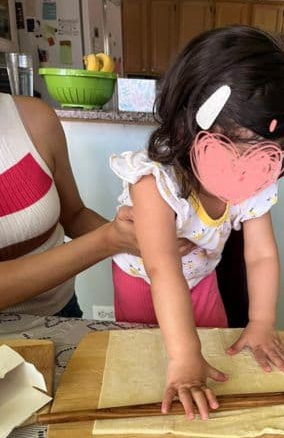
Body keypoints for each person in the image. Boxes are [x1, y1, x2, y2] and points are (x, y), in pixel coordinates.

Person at [110, 25, 284, 420]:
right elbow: (162, 269)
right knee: (149, 373)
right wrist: (183, 357)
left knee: (214, 362)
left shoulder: (251, 179)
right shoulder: (155, 182)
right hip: (143, 286)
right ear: (186, 128)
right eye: (235, 149)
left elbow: (261, 255)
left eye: (266, 153)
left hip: (202, 282)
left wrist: (261, 321)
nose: (250, 169)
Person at [0, 92, 193, 317]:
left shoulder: (35, 119)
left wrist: (136, 236)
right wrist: (109, 240)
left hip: (61, 312)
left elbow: (74, 215)